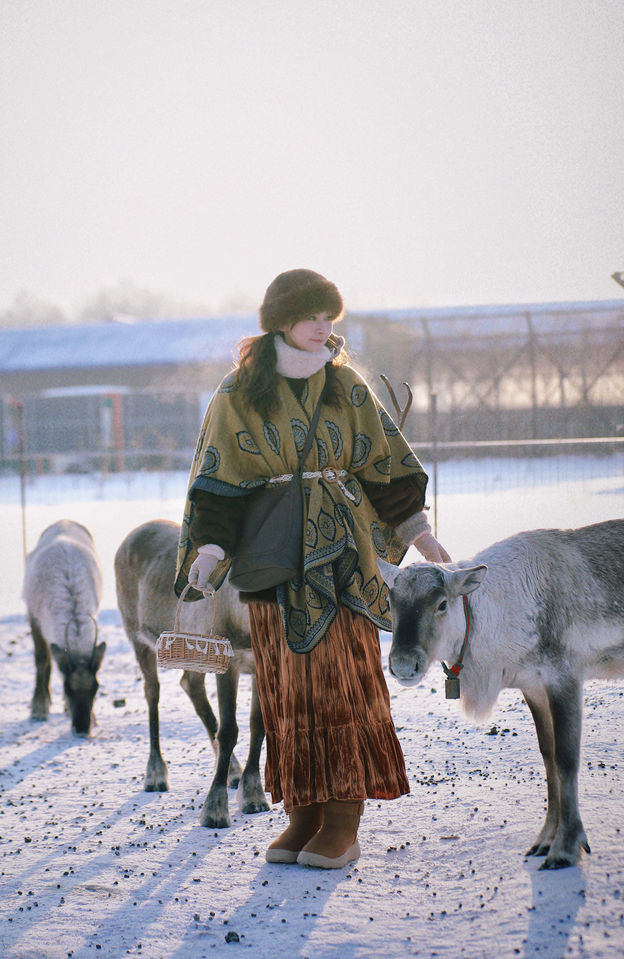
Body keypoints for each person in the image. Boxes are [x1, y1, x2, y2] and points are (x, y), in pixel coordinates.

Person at [175, 269, 450, 869]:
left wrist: (419, 532)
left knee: (340, 685)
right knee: (283, 690)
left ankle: (343, 822)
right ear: (279, 321)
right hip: (270, 560)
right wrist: (210, 548)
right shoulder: (237, 393)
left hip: (344, 560)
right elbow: (217, 481)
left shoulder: (347, 386)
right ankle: (302, 815)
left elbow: (386, 463)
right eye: (311, 316)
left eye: (330, 316)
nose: (324, 328)